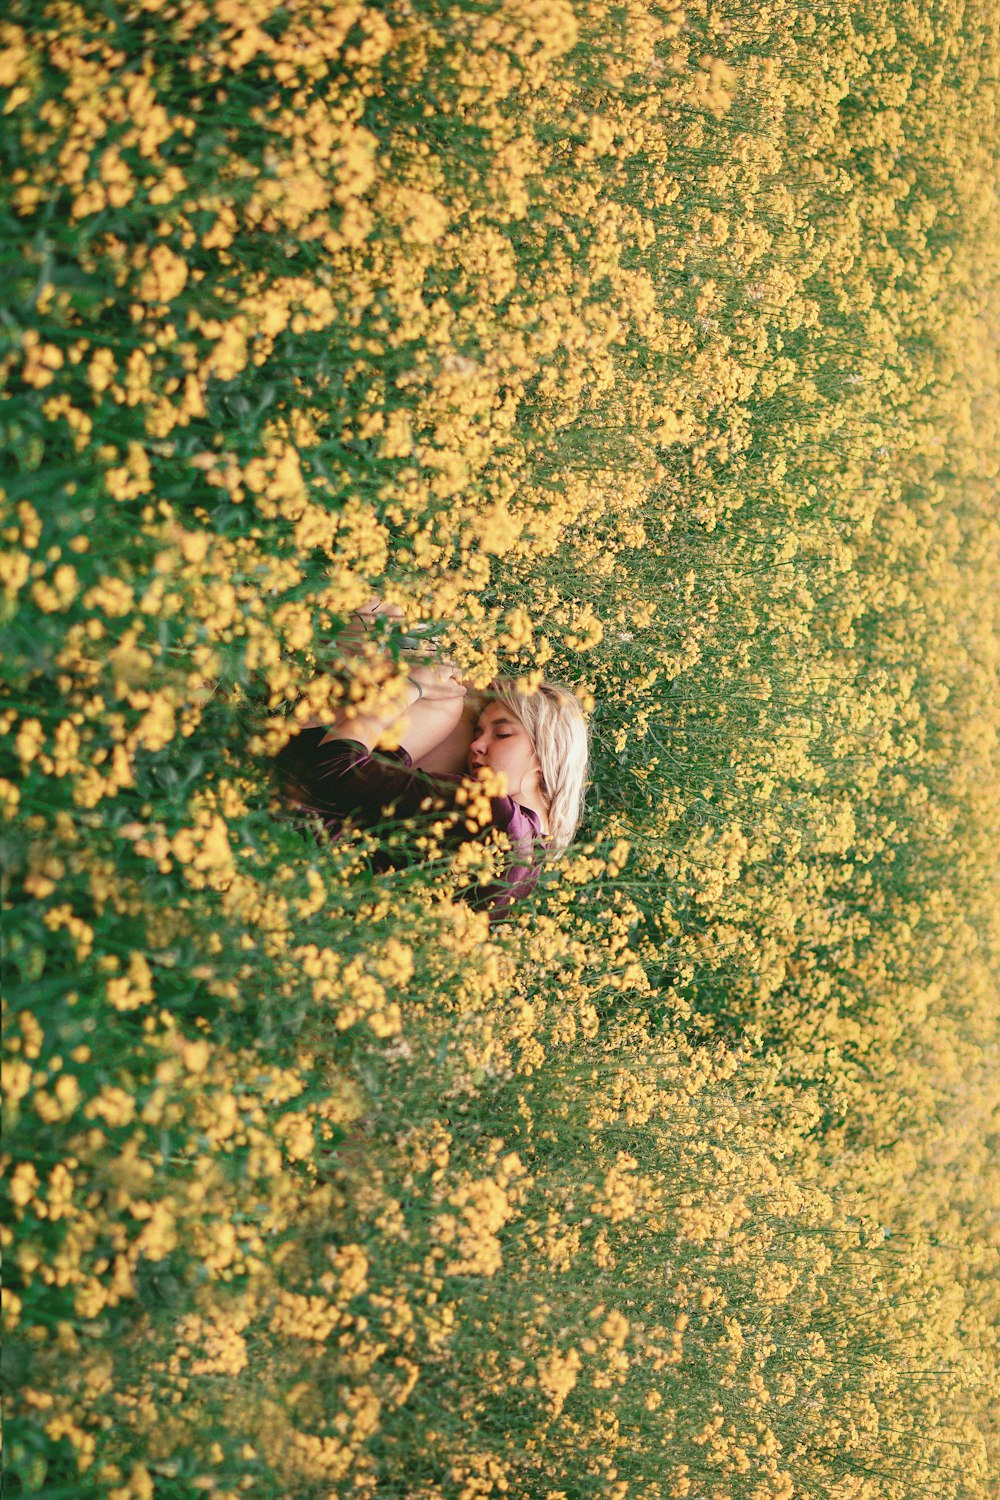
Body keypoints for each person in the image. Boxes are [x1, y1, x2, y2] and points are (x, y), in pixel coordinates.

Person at [274, 600, 591, 922]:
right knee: (446, 690)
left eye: (503, 734)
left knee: (389, 623)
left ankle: (294, 632)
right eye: (482, 733)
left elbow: (332, 769)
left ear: (546, 752)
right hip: (323, 891)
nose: (477, 746)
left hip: (288, 817)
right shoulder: (532, 855)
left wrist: (409, 687)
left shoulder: (495, 814)